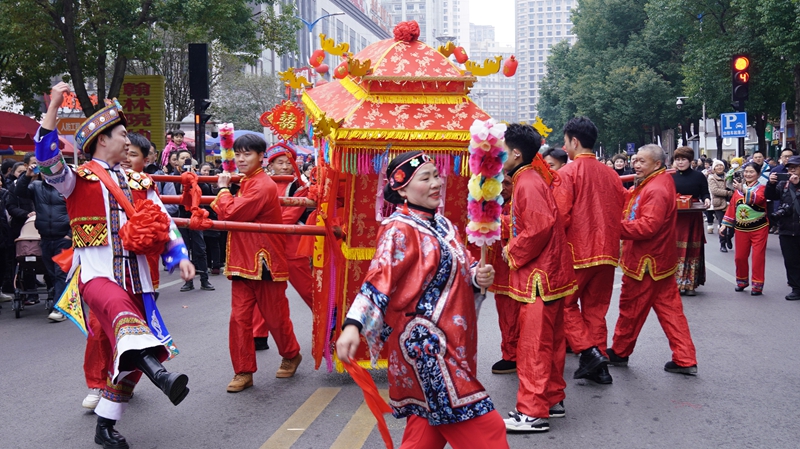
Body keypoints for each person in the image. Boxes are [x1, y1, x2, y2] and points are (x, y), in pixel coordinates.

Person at [36, 82, 195, 449]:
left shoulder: (141, 181)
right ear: (101, 140)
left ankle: (105, 427)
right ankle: (162, 375)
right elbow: (46, 158)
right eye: (122, 135)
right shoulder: (76, 180)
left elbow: (163, 223)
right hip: (97, 277)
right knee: (128, 324)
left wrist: (180, 257)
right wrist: (55, 106)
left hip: (138, 280)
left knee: (127, 361)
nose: (128, 142)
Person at [336, 150, 508, 449]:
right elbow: (378, 279)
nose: (436, 183)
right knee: (487, 431)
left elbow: (462, 264)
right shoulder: (398, 229)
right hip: (427, 347)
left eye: (436, 175)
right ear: (401, 188)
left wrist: (477, 273)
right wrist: (353, 325)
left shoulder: (443, 225)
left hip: (452, 341)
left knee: (425, 432)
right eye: (425, 178)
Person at [212, 134, 303, 393]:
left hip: (266, 263)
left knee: (275, 318)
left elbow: (230, 212)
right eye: (238, 154)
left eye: (247, 154)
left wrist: (221, 189)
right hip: (241, 262)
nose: (241, 159)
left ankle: (291, 353)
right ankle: (243, 371)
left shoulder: (262, 185)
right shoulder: (246, 182)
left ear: (261, 157)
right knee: (238, 320)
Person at [501, 124, 577, 433]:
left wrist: (512, 250)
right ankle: (552, 399)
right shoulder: (527, 177)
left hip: (539, 275)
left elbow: (539, 227)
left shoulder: (527, 182)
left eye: (502, 150)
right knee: (552, 342)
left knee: (534, 345)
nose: (497, 156)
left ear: (516, 153)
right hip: (550, 273)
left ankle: (532, 412)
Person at [607, 144, 698, 375]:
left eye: (641, 162)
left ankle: (619, 351)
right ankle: (685, 358)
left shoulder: (656, 188)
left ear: (657, 164)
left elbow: (647, 226)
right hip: (660, 260)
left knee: (631, 308)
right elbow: (634, 202)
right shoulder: (657, 181)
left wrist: (612, 228)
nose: (636, 165)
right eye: (635, 160)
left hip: (645, 261)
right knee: (671, 311)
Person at [555, 117, 626, 385]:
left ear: (574, 141)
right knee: (596, 310)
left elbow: (560, 216)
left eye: (565, 142)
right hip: (607, 251)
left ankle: (588, 352)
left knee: (565, 305)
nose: (564, 147)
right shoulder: (611, 174)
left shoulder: (567, 174)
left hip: (577, 252)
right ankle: (600, 368)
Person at [14, 155, 71, 322]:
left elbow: (77, 211)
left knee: (61, 273)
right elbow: (19, 192)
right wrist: (27, 175)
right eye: (44, 170)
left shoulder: (68, 188)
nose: (48, 174)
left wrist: (70, 234)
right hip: (45, 237)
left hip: (64, 237)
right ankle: (65, 302)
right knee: (52, 273)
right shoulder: (36, 186)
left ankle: (59, 309)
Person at [488, 174, 520, 374]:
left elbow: (520, 224)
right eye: (498, 184)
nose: (502, 188)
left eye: (507, 184)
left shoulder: (518, 203)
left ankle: (513, 355)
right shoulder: (493, 206)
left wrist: (495, 220)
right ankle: (511, 352)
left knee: (515, 314)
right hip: (500, 270)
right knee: (506, 313)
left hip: (518, 268)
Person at [721, 162, 769, 295]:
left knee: (758, 257)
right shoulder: (737, 191)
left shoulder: (762, 188)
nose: (748, 174)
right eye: (746, 172)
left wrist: (743, 190)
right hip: (741, 228)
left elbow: (758, 200)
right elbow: (732, 208)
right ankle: (742, 281)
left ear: (758, 174)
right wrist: (724, 224)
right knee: (740, 257)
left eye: (751, 172)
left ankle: (757, 285)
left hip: (759, 227)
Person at [671, 146, 710, 296]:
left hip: (693, 214)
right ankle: (675, 283)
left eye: (684, 159)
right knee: (675, 249)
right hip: (676, 216)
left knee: (693, 249)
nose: (680, 163)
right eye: (678, 159)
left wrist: (706, 199)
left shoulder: (699, 176)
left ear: (690, 161)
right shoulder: (670, 176)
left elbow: (705, 192)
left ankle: (691, 284)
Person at [174, 149, 213, 292]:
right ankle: (188, 281)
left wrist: (195, 177)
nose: (185, 160)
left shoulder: (197, 176)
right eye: (182, 158)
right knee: (184, 248)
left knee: (200, 248)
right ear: (177, 161)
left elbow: (206, 190)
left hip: (196, 215)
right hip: (182, 215)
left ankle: (204, 280)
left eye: (187, 158)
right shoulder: (173, 176)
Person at [766, 155, 800, 300]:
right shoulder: (783, 184)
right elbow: (770, 195)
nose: (792, 171)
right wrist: (771, 184)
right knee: (790, 260)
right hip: (786, 227)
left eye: (795, 168)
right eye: (789, 168)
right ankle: (796, 288)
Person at [707, 160, 733, 252]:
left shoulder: (730, 176)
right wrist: (728, 193)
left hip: (731, 204)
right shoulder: (711, 178)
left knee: (733, 225)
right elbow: (714, 190)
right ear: (714, 168)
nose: (719, 167)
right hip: (719, 204)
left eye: (721, 166)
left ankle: (729, 238)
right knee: (722, 225)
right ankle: (722, 244)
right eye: (717, 166)